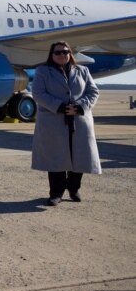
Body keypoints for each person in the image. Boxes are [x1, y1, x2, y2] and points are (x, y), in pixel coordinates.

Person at [31, 41, 101, 206]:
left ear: (70, 53)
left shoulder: (83, 70)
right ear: (52, 55)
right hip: (53, 121)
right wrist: (60, 107)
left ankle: (73, 187)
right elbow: (38, 93)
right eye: (58, 52)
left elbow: (93, 91)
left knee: (81, 156)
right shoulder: (43, 71)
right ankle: (56, 193)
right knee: (56, 158)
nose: (62, 55)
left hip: (79, 120)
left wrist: (80, 106)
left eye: (65, 51)